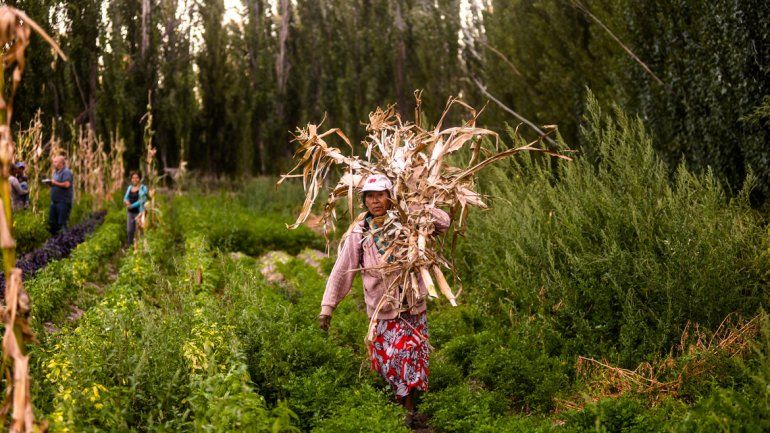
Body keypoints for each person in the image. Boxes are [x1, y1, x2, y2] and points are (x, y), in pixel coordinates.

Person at [318, 173, 450, 427]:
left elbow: (444, 222)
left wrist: (416, 205)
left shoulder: (408, 221)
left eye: (380, 195)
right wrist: (327, 307)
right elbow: (341, 270)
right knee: (389, 363)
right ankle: (399, 406)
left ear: (391, 196)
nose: (375, 201)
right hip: (382, 310)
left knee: (410, 357)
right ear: (364, 201)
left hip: (411, 307)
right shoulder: (361, 231)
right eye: (370, 196)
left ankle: (408, 410)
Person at [47, 154, 73, 234]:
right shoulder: (55, 172)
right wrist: (50, 183)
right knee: (52, 223)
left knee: (62, 223)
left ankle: (66, 239)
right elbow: (56, 184)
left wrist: (55, 183)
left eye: (55, 162)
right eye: (54, 162)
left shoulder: (66, 172)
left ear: (61, 163)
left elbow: (67, 184)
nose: (54, 163)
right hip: (54, 202)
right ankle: (55, 240)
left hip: (63, 202)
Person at [123, 171, 148, 245]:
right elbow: (125, 197)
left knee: (139, 231)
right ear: (131, 179)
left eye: (137, 178)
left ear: (140, 178)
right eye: (133, 178)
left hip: (139, 213)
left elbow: (142, 200)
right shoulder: (130, 187)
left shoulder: (143, 188)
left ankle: (140, 247)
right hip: (130, 212)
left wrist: (132, 205)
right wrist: (126, 201)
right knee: (130, 231)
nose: (135, 179)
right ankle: (130, 247)